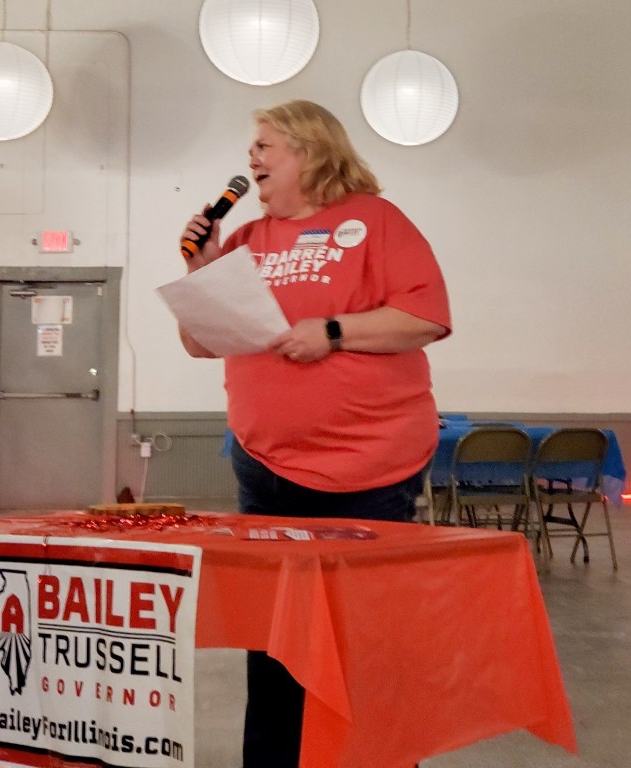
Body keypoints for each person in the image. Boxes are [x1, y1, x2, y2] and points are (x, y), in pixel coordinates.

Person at [178, 99, 451, 768]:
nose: (251, 158)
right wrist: (203, 269)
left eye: (265, 145)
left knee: (366, 642)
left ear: (310, 150)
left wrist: (332, 331)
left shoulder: (376, 221)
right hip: (265, 470)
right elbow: (201, 343)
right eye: (252, 148)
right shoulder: (246, 240)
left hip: (368, 475)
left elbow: (424, 318)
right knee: (274, 640)